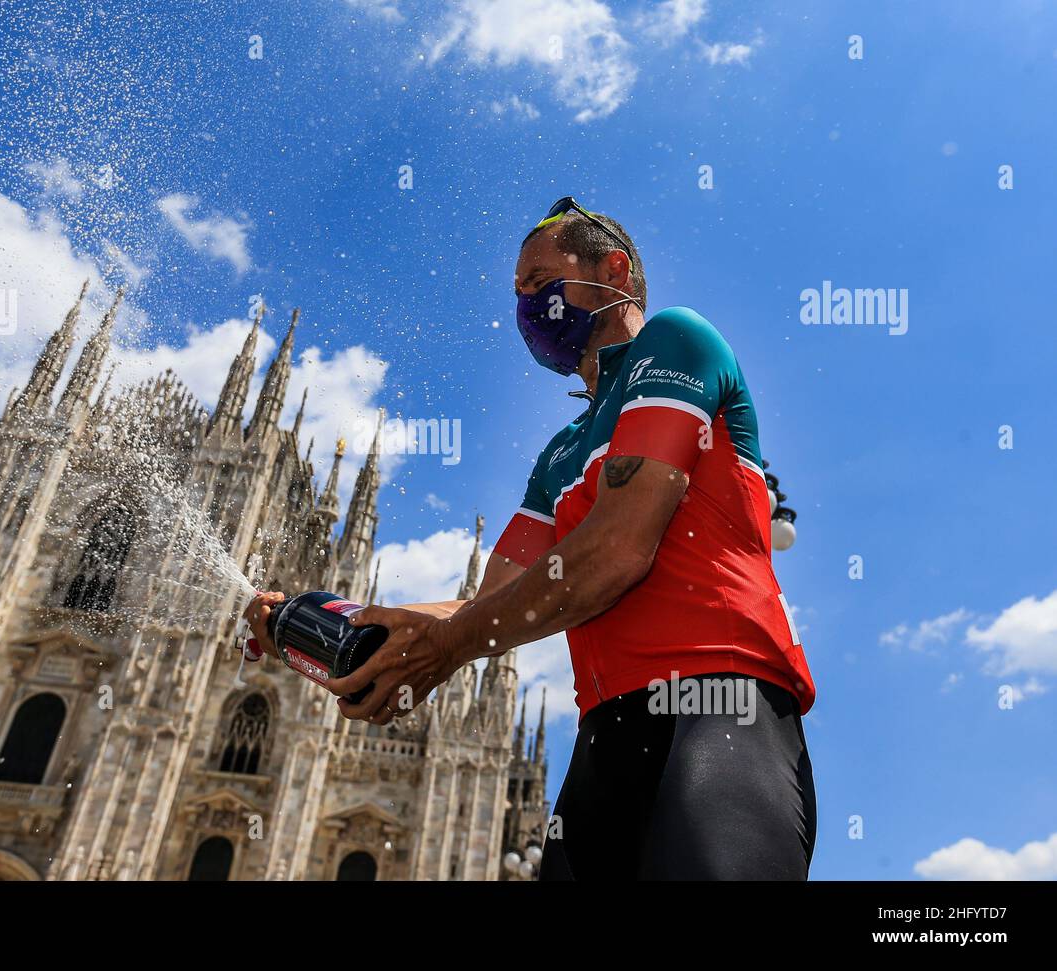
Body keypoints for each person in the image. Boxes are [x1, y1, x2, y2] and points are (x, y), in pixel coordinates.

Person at [245, 197, 817, 880]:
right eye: (517, 291)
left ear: (615, 270)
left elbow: (618, 549)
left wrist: (447, 649)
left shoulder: (676, 341)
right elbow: (482, 608)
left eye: (540, 281)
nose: (526, 305)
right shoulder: (560, 456)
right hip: (604, 736)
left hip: (718, 707)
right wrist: (326, 626)